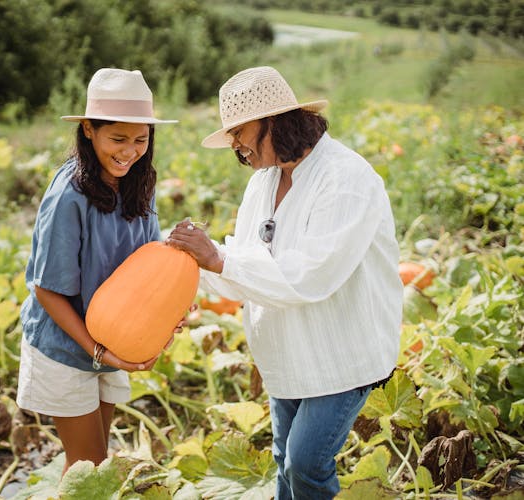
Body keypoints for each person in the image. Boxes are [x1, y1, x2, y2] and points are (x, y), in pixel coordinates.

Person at [167, 66, 402, 500]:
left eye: (239, 131)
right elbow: (244, 264)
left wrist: (217, 258)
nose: (234, 144)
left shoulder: (347, 178)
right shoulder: (263, 182)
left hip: (341, 352)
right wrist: (190, 272)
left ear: (275, 122)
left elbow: (313, 274)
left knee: (306, 462)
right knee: (283, 460)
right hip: (286, 352)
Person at [16, 68, 177, 472]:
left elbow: (151, 267)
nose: (130, 151)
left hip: (111, 342)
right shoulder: (69, 195)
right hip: (67, 345)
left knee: (97, 466)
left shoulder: (141, 182)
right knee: (86, 464)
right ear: (89, 130)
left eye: (141, 139)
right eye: (118, 139)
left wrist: (167, 318)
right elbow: (46, 289)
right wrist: (96, 349)